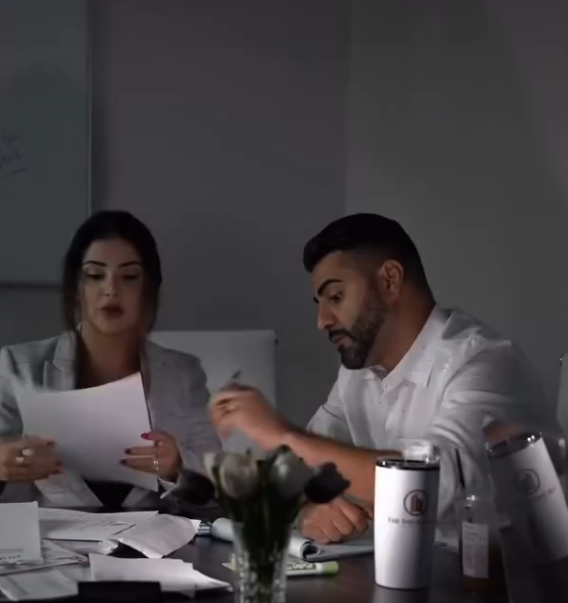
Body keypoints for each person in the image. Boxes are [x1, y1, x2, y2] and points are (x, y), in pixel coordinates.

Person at [210, 213, 562, 544]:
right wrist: (307, 509)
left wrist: (282, 433)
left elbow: (428, 488)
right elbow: (302, 471)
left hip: (515, 576)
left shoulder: (484, 363)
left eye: (335, 297)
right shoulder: (356, 376)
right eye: (320, 303)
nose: (322, 321)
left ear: (390, 280)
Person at [0, 210, 221, 507]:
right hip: (53, 534)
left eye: (129, 277)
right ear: (76, 288)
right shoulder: (16, 366)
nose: (111, 290)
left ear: (148, 289)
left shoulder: (183, 372)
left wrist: (177, 467)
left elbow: (216, 485)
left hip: (155, 533)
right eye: (95, 275)